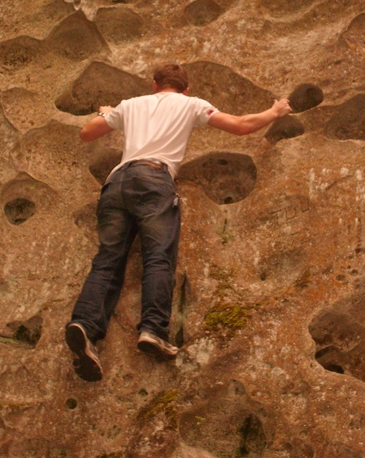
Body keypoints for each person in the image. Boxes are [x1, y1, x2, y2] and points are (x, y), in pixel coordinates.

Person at [65, 63, 291, 381]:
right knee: (158, 257)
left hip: (116, 184)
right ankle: (153, 330)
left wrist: (107, 113)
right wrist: (274, 111)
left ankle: (85, 326)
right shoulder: (191, 104)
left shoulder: (130, 105)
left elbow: (87, 133)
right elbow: (241, 126)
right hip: (154, 179)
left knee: (107, 260)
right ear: (185, 89)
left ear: (155, 85)